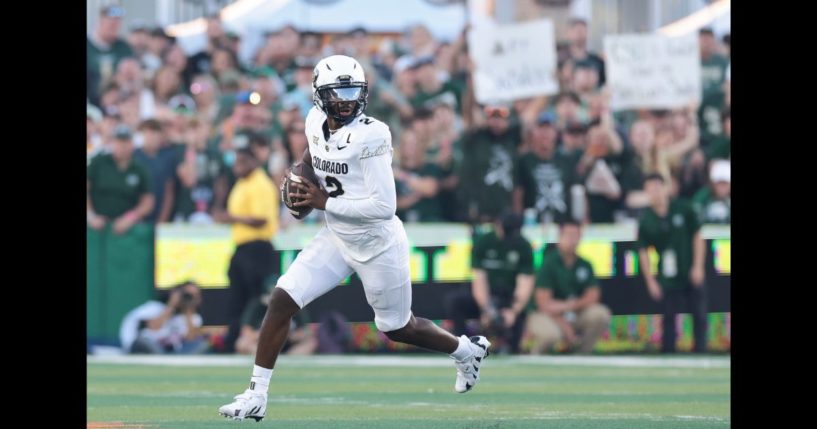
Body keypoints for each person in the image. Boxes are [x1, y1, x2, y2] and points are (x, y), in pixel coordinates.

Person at [219, 55, 490, 421]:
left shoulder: (373, 133)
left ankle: (465, 351)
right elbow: (312, 153)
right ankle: (256, 395)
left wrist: (322, 200)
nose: (346, 100)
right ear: (318, 94)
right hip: (337, 236)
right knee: (282, 299)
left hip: (377, 242)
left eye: (353, 91)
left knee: (397, 327)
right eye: (338, 92)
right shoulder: (315, 120)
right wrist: (299, 176)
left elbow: (384, 206)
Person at [213, 148, 280, 354]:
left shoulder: (261, 184)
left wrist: (230, 217)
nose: (236, 167)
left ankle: (259, 344)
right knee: (236, 298)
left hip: (258, 248)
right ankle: (233, 342)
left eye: (241, 162)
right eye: (235, 163)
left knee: (257, 299)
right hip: (242, 248)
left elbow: (261, 219)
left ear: (253, 161)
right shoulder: (241, 184)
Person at [444, 212, 534, 354]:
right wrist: (488, 309)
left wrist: (513, 311)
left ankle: (513, 349)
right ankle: (463, 348)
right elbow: (479, 281)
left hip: (510, 298)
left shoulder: (524, 246)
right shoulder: (484, 242)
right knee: (456, 302)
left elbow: (525, 284)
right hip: (484, 296)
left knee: (521, 315)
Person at [637, 174, 707, 353]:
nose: (655, 192)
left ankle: (701, 351)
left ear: (666, 188)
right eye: (650, 189)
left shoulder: (683, 208)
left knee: (698, 313)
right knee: (668, 316)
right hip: (667, 274)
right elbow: (643, 252)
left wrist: (698, 266)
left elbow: (698, 237)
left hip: (689, 268)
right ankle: (668, 353)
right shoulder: (646, 220)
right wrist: (651, 281)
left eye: (658, 187)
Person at [527, 220, 611, 354]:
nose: (572, 240)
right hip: (545, 315)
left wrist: (570, 306)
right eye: (568, 235)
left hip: (574, 312)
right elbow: (543, 303)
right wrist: (563, 322)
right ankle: (534, 359)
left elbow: (593, 295)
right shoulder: (548, 263)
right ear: (559, 237)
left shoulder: (585, 264)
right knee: (550, 335)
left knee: (600, 314)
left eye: (575, 235)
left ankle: (582, 354)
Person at [119, 281, 209, 354]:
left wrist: (189, 310)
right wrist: (172, 305)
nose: (189, 298)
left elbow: (191, 339)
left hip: (171, 352)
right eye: (186, 295)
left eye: (194, 296)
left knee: (202, 344)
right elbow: (154, 327)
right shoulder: (154, 307)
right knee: (145, 342)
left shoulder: (193, 317)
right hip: (144, 345)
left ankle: (171, 361)